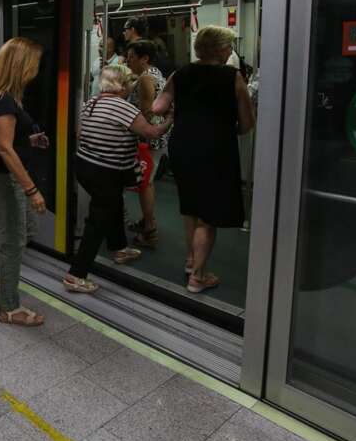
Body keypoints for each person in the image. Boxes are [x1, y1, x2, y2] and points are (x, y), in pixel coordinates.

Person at [152, 26, 255, 294]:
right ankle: (198, 276)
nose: (231, 51)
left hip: (184, 146)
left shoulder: (181, 73)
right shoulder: (232, 77)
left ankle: (190, 260)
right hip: (216, 148)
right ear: (220, 49)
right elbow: (246, 123)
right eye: (229, 47)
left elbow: (157, 107)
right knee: (207, 217)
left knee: (191, 207)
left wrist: (182, 116)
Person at [63, 66, 170, 294]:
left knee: (113, 204)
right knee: (97, 220)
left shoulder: (91, 103)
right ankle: (76, 275)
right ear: (122, 85)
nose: (132, 87)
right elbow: (151, 133)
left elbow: (80, 134)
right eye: (130, 83)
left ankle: (119, 248)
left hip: (84, 166)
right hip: (106, 172)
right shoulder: (125, 108)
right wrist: (170, 119)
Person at [0, 37, 51, 326]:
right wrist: (32, 189)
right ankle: (10, 307)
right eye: (35, 64)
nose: (37, 70)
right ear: (22, 65)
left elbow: (4, 141)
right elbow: (4, 149)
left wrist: (29, 139)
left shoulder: (2, 97)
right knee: (14, 240)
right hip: (3, 180)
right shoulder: (4, 101)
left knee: (25, 230)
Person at [124, 40, 168, 248]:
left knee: (145, 182)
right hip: (155, 137)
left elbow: (146, 113)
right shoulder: (154, 73)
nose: (128, 60)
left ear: (145, 58)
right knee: (146, 180)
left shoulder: (146, 79)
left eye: (132, 56)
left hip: (147, 138)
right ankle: (147, 220)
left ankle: (150, 227)